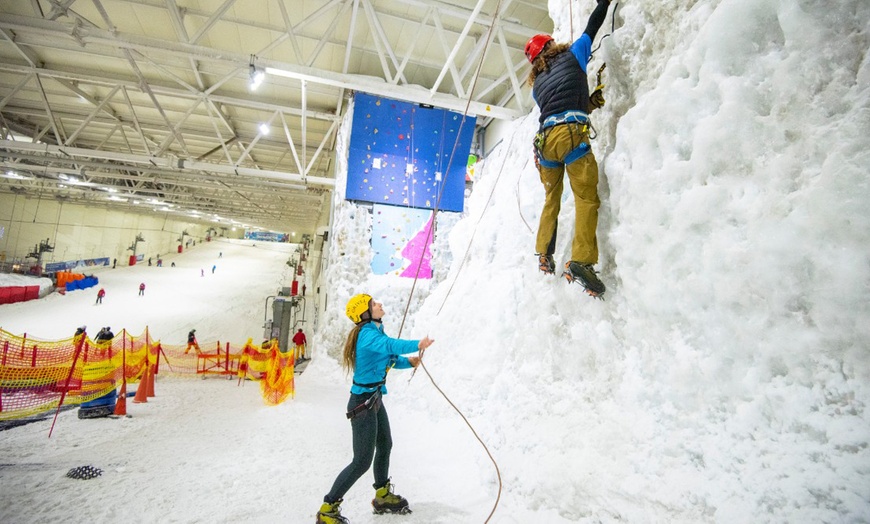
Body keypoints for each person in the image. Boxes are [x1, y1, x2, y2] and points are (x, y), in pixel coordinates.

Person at [316, 294, 434, 524]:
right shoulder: (367, 334)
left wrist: (408, 362)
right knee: (361, 460)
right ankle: (327, 508)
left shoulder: (375, 331)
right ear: (365, 313)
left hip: (373, 398)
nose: (379, 304)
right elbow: (390, 346)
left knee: (385, 444)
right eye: (374, 304)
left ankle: (382, 495)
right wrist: (416, 344)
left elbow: (388, 357)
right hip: (363, 403)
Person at [526, 0, 611, 298]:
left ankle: (544, 254)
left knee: (552, 198)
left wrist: (590, 103)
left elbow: (558, 108)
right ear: (552, 45)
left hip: (545, 144)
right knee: (586, 197)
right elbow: (593, 25)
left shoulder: (537, 86)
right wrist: (605, 3)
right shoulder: (573, 54)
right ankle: (582, 261)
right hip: (570, 136)